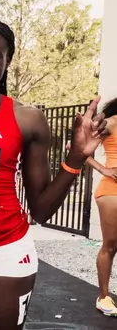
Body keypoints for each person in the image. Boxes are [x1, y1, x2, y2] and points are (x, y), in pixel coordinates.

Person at [0, 19, 108, 330]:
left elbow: (41, 210)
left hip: (7, 248)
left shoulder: (27, 119)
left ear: (7, 61)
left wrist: (76, 158)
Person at [75, 97, 117, 316]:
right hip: (113, 190)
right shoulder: (110, 122)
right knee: (111, 245)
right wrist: (104, 169)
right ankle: (104, 297)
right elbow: (77, 149)